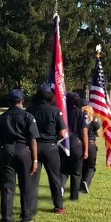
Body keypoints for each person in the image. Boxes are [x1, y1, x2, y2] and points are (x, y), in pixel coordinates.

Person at [0, 89, 39, 222]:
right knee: (26, 185)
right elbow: (33, 140)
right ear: (22, 101)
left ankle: (6, 220)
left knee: (7, 187)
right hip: (24, 150)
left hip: (6, 150)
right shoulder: (28, 117)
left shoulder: (0, 118)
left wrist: (0, 159)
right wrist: (35, 160)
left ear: (9, 102)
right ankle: (26, 217)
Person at [29, 83, 69, 214]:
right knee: (55, 178)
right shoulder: (55, 111)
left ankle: (30, 206)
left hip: (33, 147)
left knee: (33, 179)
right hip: (50, 147)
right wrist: (54, 140)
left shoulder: (30, 110)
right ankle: (59, 206)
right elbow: (63, 133)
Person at [65, 92, 90, 200]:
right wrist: (86, 150)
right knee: (76, 173)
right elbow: (84, 133)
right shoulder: (81, 114)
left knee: (63, 171)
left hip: (63, 143)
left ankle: (60, 190)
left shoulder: (62, 111)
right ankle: (74, 196)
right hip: (76, 143)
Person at [82, 103, 100, 194]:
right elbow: (98, 134)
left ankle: (80, 183)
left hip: (80, 144)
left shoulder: (80, 119)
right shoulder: (94, 120)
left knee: (82, 166)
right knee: (91, 167)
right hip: (91, 144)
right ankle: (86, 181)